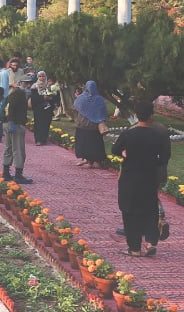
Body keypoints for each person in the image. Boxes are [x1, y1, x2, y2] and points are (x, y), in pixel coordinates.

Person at [111, 101, 171, 257]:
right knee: (150, 210)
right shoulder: (159, 134)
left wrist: (125, 154)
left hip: (130, 177)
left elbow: (115, 149)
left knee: (129, 211)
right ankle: (151, 241)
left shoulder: (128, 133)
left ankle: (134, 248)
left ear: (136, 115)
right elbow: (165, 157)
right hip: (150, 177)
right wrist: (152, 162)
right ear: (152, 115)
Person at [73, 80, 108, 168]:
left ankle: (89, 161)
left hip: (83, 125)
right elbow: (103, 112)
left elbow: (76, 106)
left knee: (85, 144)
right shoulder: (99, 99)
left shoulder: (81, 98)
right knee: (94, 144)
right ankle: (93, 161)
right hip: (94, 127)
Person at [2, 86, 33, 184]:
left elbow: (8, 109)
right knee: (18, 150)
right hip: (16, 124)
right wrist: (12, 122)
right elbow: (12, 108)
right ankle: (18, 175)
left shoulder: (10, 96)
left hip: (7, 123)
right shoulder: (19, 95)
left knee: (9, 148)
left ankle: (6, 172)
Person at [30, 71, 56, 146]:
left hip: (47, 109)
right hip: (38, 108)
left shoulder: (49, 86)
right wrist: (43, 98)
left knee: (46, 124)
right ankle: (38, 139)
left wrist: (50, 98)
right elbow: (34, 98)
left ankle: (44, 139)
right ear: (37, 77)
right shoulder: (34, 86)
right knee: (38, 124)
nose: (42, 78)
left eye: (43, 76)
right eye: (40, 76)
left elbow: (55, 96)